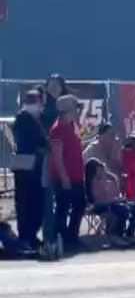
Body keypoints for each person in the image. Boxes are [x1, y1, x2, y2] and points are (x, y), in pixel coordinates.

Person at [46, 94, 87, 254]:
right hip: (65, 177)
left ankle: (71, 236)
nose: (78, 110)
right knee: (63, 208)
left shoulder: (73, 125)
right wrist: (64, 177)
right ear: (67, 110)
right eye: (76, 108)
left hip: (77, 176)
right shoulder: (56, 130)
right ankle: (61, 238)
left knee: (80, 205)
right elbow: (57, 157)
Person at [11, 89, 48, 252]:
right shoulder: (23, 118)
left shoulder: (35, 120)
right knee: (26, 202)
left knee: (35, 201)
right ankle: (26, 236)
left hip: (32, 164)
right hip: (25, 162)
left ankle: (31, 235)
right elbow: (29, 143)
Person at [86, 157, 135, 246]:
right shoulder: (92, 182)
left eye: (102, 171)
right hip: (100, 206)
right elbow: (96, 199)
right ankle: (116, 235)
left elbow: (114, 191)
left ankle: (130, 234)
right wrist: (110, 196)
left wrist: (110, 177)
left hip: (111, 202)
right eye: (99, 172)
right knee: (122, 209)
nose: (102, 174)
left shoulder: (104, 179)